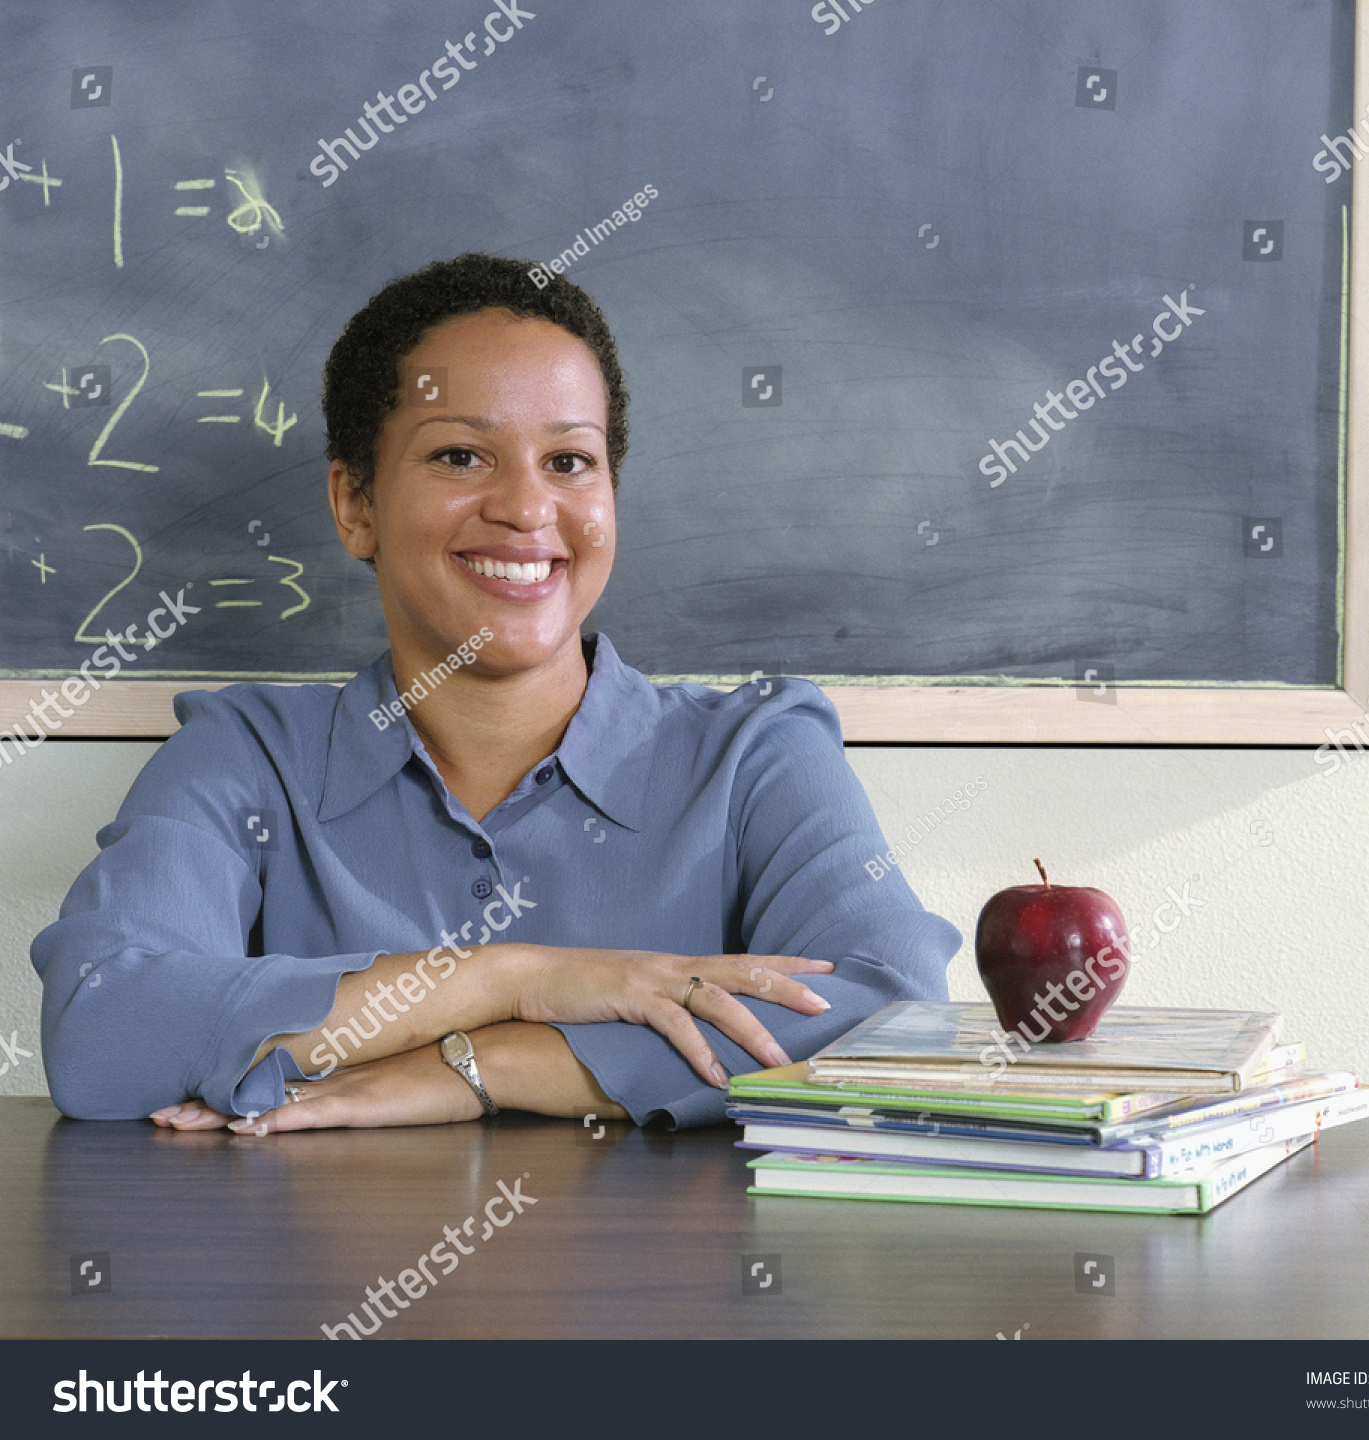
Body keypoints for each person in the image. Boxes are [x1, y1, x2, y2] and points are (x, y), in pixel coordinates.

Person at [31, 253, 959, 1134]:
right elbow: (102, 1031)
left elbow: (895, 1015)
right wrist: (509, 976)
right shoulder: (249, 755)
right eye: (460, 457)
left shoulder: (755, 754)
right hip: (320, 1291)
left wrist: (478, 1067)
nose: (525, 507)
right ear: (355, 504)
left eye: (569, 462)